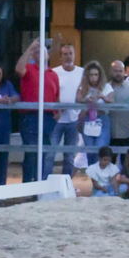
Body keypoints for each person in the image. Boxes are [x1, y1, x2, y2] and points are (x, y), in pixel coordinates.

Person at [14, 39, 59, 183]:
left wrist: (56, 115)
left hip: (47, 117)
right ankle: (28, 184)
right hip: (30, 116)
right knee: (32, 153)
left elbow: (56, 97)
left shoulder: (53, 74)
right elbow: (19, 69)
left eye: (43, 51)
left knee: (44, 153)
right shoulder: (29, 69)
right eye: (37, 52)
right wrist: (30, 48)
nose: (40, 54)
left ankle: (40, 184)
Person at [50, 43, 86, 176]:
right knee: (49, 154)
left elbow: (86, 94)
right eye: (65, 54)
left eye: (70, 53)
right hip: (56, 120)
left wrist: (82, 115)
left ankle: (67, 185)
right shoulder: (54, 72)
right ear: (60, 57)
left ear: (75, 55)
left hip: (74, 119)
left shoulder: (82, 73)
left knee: (69, 156)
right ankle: (46, 184)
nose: (68, 56)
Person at [75, 61, 108, 168]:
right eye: (91, 75)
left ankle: (102, 178)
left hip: (102, 119)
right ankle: (94, 180)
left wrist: (102, 97)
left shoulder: (106, 87)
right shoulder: (82, 88)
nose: (94, 77)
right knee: (90, 151)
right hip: (87, 119)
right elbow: (78, 99)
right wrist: (86, 100)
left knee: (101, 148)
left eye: (96, 74)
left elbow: (112, 100)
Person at [105, 60, 129, 157]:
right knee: (108, 167)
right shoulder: (104, 88)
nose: (118, 73)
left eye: (120, 71)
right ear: (110, 72)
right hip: (108, 135)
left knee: (127, 166)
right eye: (115, 71)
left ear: (124, 72)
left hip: (127, 134)